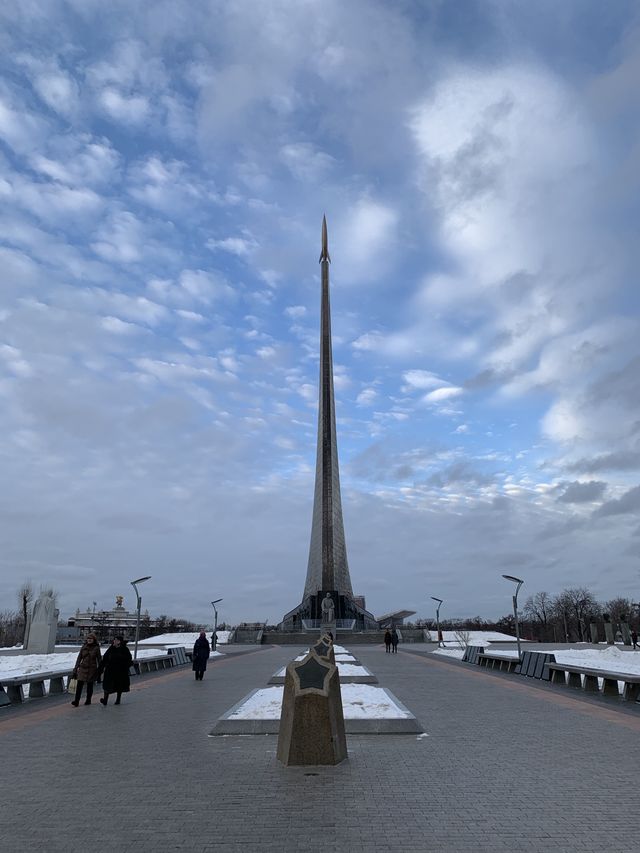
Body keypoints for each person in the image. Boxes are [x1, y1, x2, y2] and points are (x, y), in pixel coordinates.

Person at [98, 636, 132, 706]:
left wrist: (123, 663)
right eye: (114, 640)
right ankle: (105, 700)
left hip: (120, 671)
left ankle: (118, 699)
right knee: (107, 685)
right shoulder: (111, 648)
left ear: (120, 641)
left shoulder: (124, 649)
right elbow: (105, 658)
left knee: (119, 686)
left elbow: (129, 659)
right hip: (110, 670)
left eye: (117, 640)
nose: (115, 641)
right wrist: (101, 668)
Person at [71, 633, 102, 706]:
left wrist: (100, 670)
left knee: (90, 685)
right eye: (88, 639)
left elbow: (99, 659)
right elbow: (79, 658)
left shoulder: (96, 648)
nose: (89, 640)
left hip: (92, 669)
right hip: (83, 668)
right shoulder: (83, 647)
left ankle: (88, 700)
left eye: (91, 639)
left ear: (94, 640)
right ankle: (76, 701)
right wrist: (76, 668)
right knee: (79, 685)